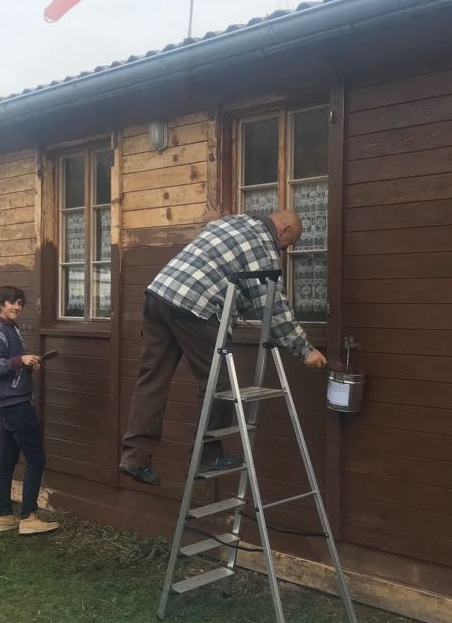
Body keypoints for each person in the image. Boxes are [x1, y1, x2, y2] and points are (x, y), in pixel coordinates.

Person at [119, 208, 328, 487]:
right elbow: (273, 306)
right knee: (219, 383)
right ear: (284, 230)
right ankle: (207, 453)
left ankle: (135, 456)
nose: (284, 250)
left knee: (152, 379)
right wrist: (305, 350)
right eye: (288, 244)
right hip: (193, 307)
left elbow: (219, 268)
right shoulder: (263, 247)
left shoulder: (235, 221)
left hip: (159, 294)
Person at [0, 286, 59, 536]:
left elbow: (7, 365)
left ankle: (3, 515)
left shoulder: (9, 329)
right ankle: (28, 516)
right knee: (36, 458)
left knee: (7, 460)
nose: (17, 307)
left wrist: (26, 364)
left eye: (20, 304)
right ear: (1, 304)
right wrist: (19, 361)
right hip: (15, 403)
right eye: (12, 303)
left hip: (8, 402)